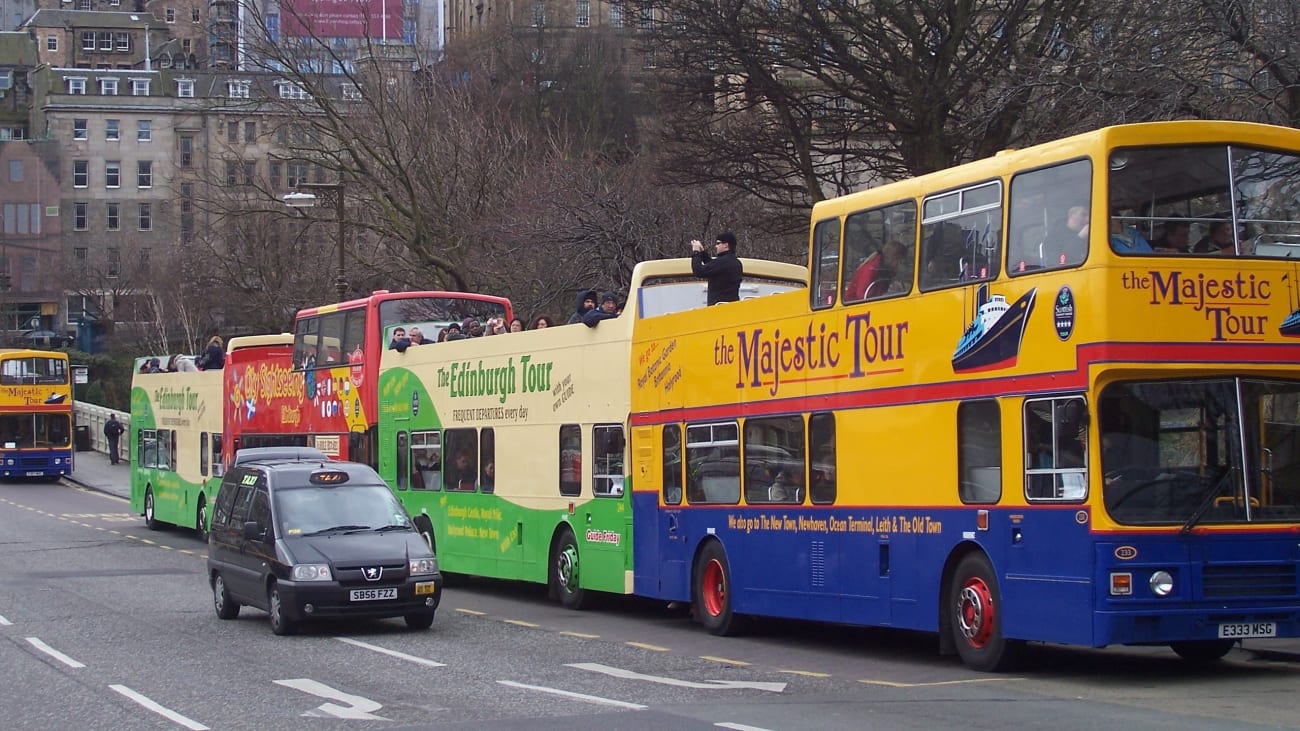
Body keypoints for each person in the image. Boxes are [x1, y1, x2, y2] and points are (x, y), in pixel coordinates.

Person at [691, 231, 743, 305]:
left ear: (726, 245)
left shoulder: (723, 262)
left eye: (718, 243)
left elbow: (698, 271)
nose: (716, 246)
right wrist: (702, 253)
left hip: (719, 310)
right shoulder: (736, 262)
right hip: (732, 307)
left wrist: (696, 252)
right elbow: (712, 266)